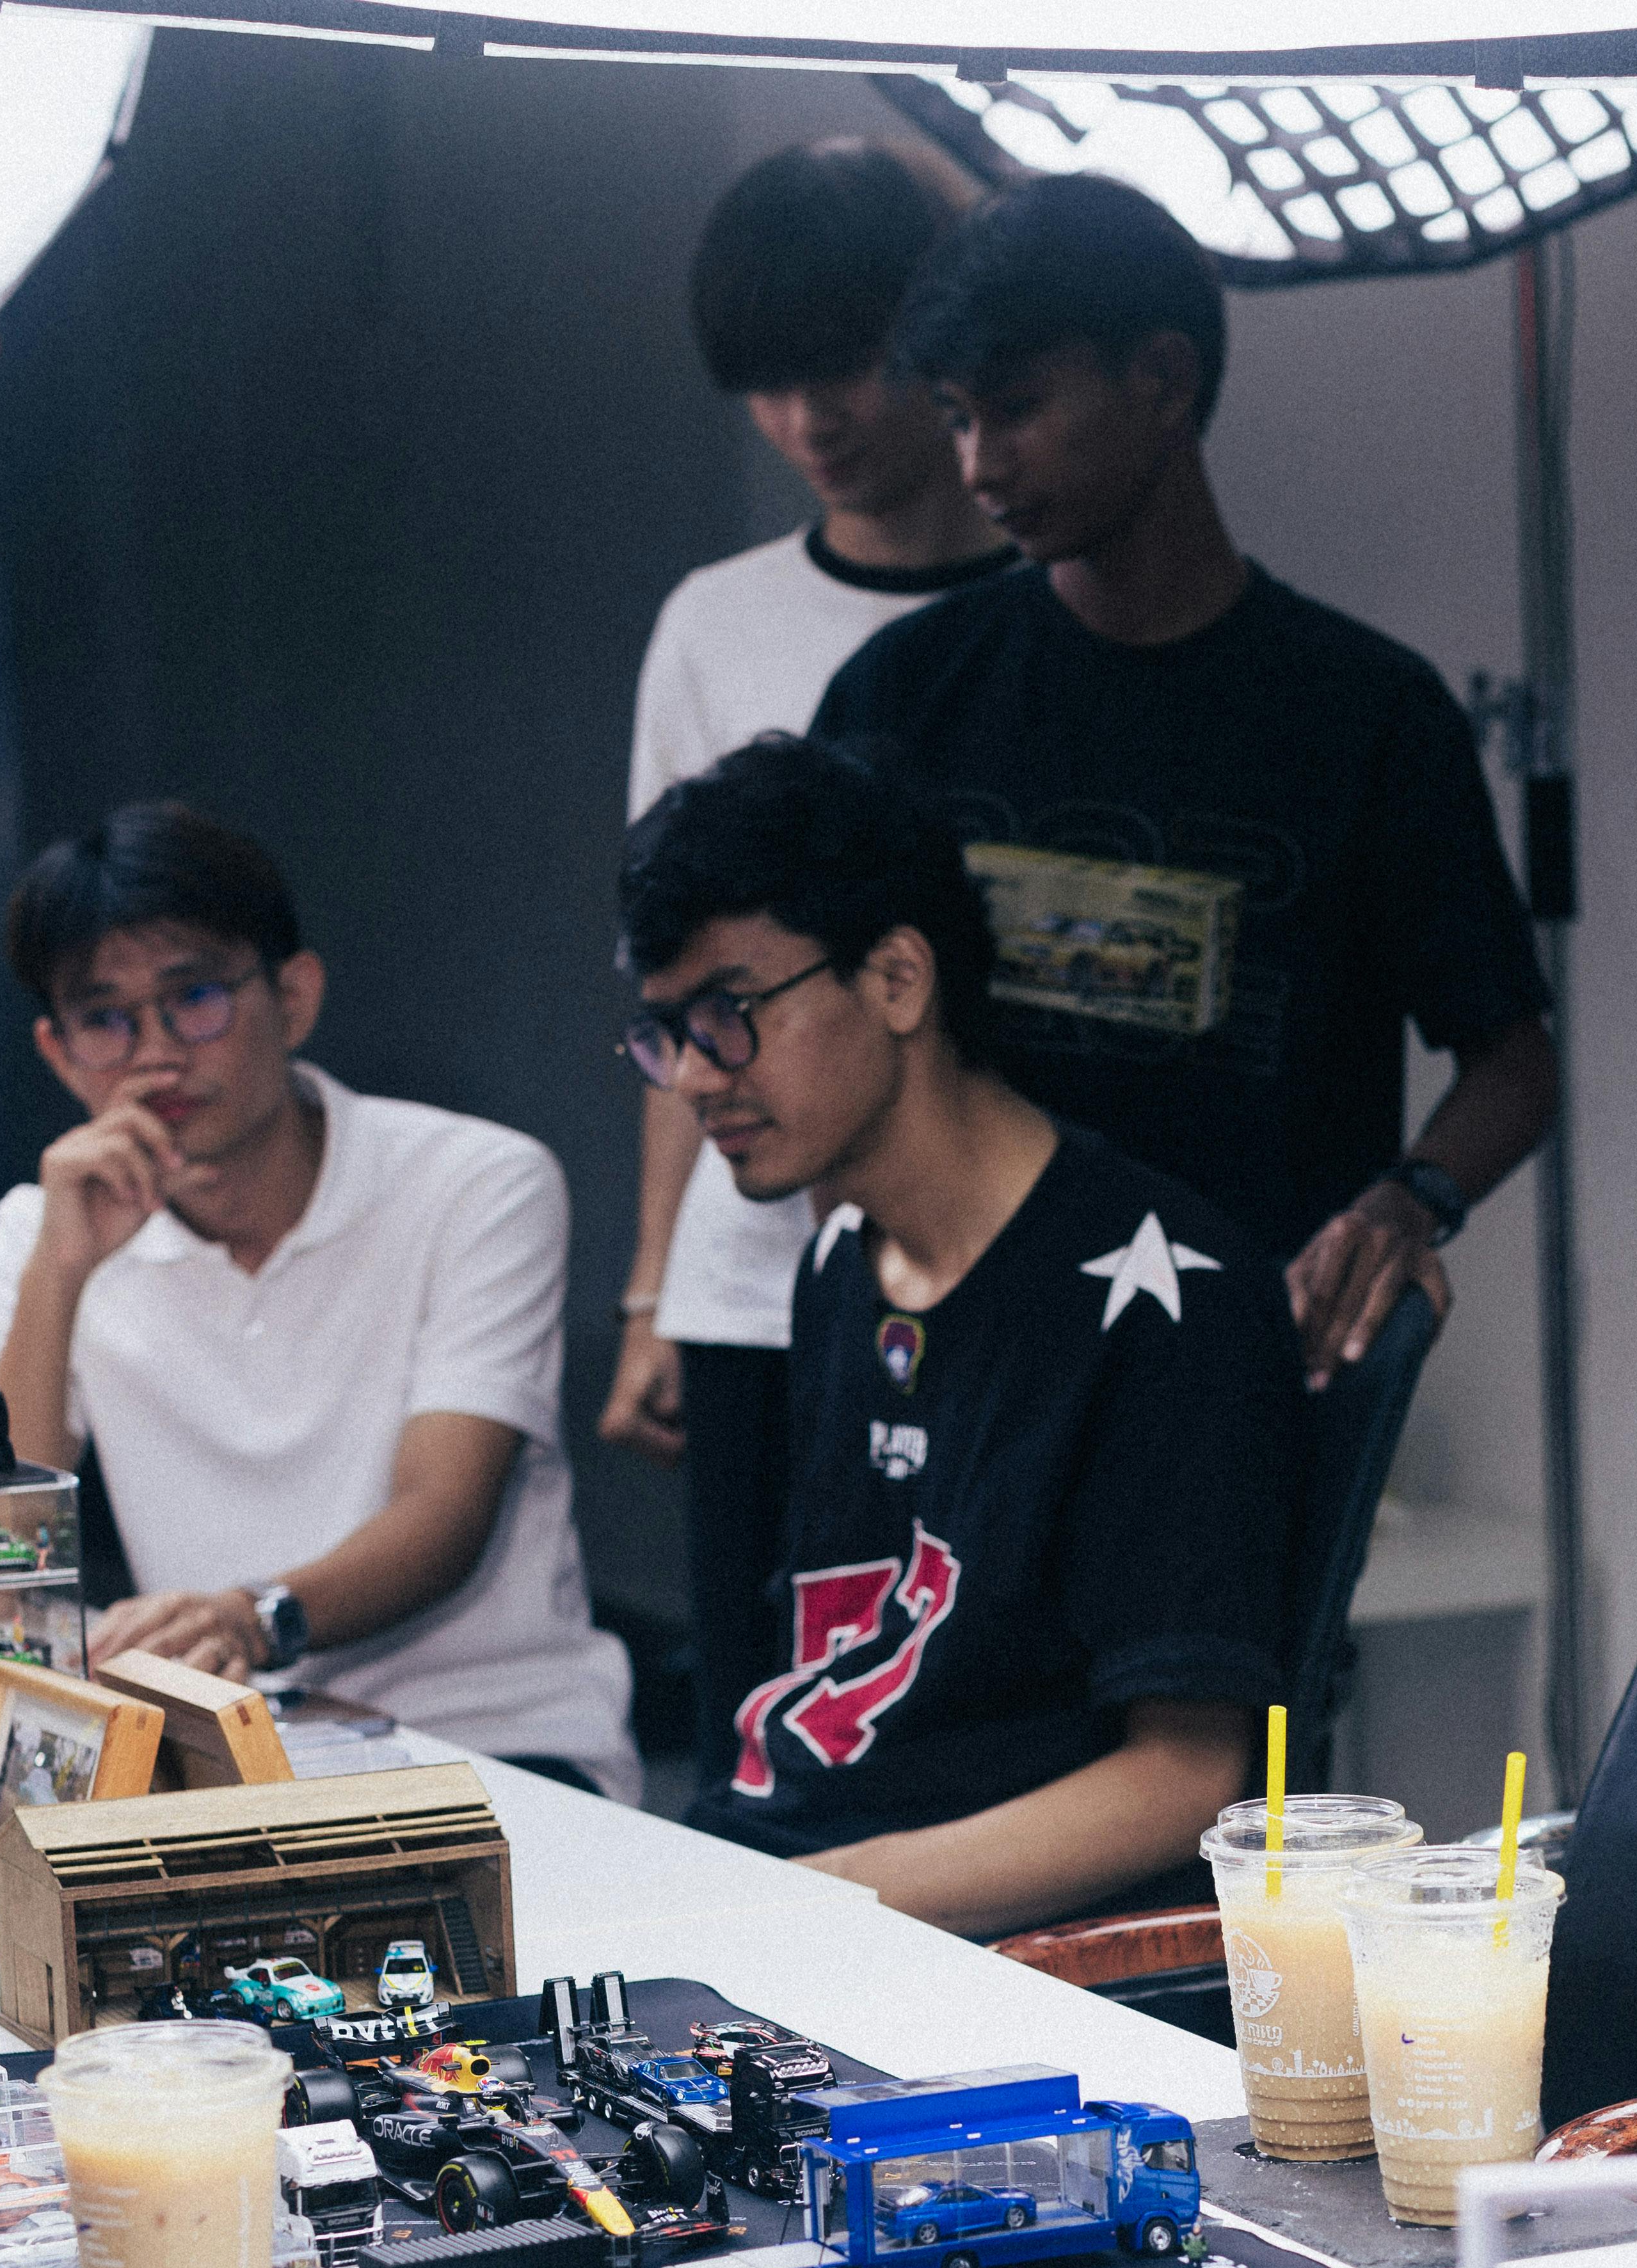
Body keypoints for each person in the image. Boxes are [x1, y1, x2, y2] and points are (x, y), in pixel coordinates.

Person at [813, 173, 1560, 1387]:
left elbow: (1513, 1060)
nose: (980, 464)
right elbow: (814, 1015)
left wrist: (1406, 1203)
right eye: (955, 417)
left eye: (1016, 408)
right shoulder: (903, 696)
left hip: (1238, 1382)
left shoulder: (1363, 713)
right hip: (949, 1361)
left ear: (1163, 382)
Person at [623, 734, 1291, 1933]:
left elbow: (1186, 1781)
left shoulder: (1159, 1291)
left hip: (961, 1945)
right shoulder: (840, 1260)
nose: (689, 1077)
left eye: (728, 1015)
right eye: (664, 1031)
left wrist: (801, 1906)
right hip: (780, 1872)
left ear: (894, 980)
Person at [0, 802, 637, 1800]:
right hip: (227, 1762)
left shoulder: (477, 1182)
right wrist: (61, 1272)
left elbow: (442, 1513)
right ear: (59, 1054)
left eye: (193, 998)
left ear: (294, 997)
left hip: (494, 1744)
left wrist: (248, 1616)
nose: (155, 1055)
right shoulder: (39, 1229)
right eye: (105, 1020)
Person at [605, 139, 1011, 1786]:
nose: (808, 419)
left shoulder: (1046, 615)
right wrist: (652, 1286)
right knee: (757, 1724)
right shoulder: (716, 618)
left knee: (956, 1706)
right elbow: (672, 988)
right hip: (747, 1273)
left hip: (980, 1259)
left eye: (840, 365)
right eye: (765, 384)